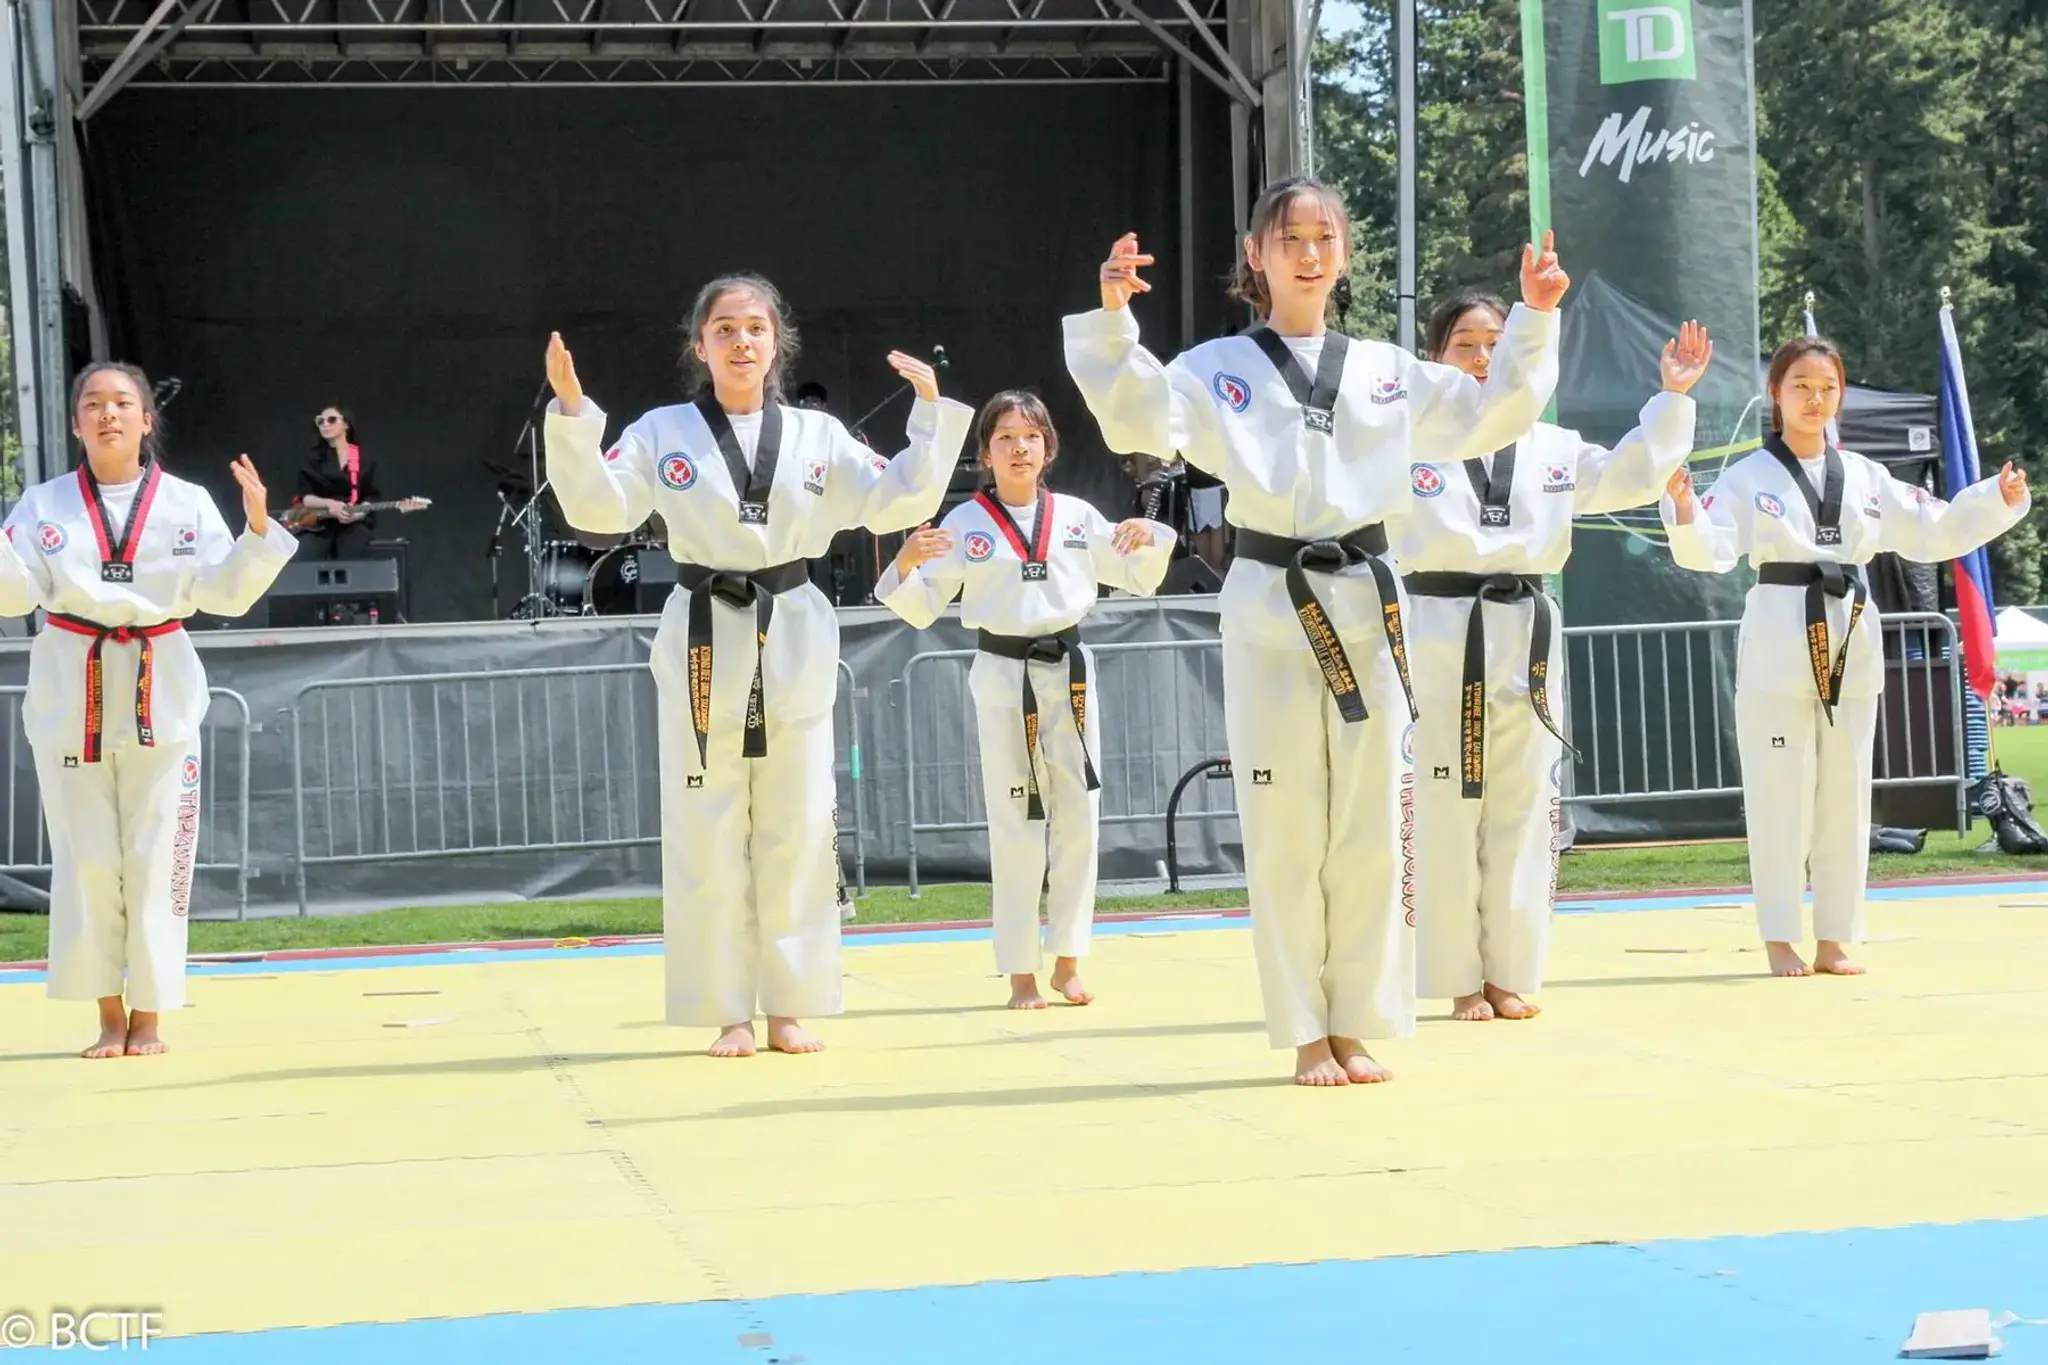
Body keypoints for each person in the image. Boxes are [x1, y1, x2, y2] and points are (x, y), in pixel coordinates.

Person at [1063, 177, 1570, 1086]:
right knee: (1286, 818)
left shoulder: (1386, 369)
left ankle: (1363, 1017)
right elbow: (1138, 417)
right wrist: (1111, 320)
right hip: (1269, 592)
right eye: (1288, 236)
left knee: (1373, 817)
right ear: (1254, 254)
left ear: (1343, 254)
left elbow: (1492, 412)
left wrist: (1532, 319)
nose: (1307, 251)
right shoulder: (1214, 368)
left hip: (1370, 597)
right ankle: (1305, 1026)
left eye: (1323, 236)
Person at [542, 273, 972, 1057]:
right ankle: (726, 1007)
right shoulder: (662, 430)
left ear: (778, 343)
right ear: (699, 345)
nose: (742, 342)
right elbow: (599, 507)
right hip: (706, 626)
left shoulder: (817, 435)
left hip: (792, 621)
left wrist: (933, 418)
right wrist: (572, 416)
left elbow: (894, 501)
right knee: (706, 823)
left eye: (756, 328)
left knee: (799, 822)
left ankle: (790, 1002)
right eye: (726, 328)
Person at [1661, 334, 2029, 977]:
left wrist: (1993, 498)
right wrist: (1687, 508)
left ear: (1841, 397)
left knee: (1847, 792)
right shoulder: (1750, 477)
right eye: (1800, 385)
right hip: (1780, 630)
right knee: (1780, 794)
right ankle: (1780, 935)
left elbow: (1934, 527)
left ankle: (1835, 935)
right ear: (1775, 393)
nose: (1814, 398)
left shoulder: (1864, 476)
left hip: (1851, 630)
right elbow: (1709, 547)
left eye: (1827, 387)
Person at [1400, 291, 1711, 1022]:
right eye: (1465, 345)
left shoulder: (1555, 447)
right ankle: (1455, 974)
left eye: (1497, 345)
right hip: (1439, 626)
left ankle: (1509, 969)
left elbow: (1633, 476)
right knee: (1443, 803)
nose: (1483, 359)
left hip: (1528, 628)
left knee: (1524, 803)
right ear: (1436, 360)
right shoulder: (1407, 441)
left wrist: (1670, 398)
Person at [0, 362, 297, 1058]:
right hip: (72, 688)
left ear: (146, 420)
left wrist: (257, 531)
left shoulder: (187, 502)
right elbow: (13, 592)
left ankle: (151, 1015)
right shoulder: (43, 507)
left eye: (122, 403)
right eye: (94, 405)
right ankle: (107, 1013)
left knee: (161, 858)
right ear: (76, 423)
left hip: (159, 689)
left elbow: (225, 593)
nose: (108, 415)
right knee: (88, 861)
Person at [872, 390, 1175, 1009]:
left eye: (1030, 436)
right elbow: (921, 604)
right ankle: (1019, 971)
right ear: (986, 453)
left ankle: (1068, 959)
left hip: (1069, 672)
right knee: (1015, 820)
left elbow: (1138, 574)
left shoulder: (1076, 517)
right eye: (1005, 436)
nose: (1018, 447)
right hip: (1003, 673)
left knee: (1079, 816)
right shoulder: (964, 525)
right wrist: (904, 561)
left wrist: (1153, 533)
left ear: (1048, 448)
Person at [293, 405, 380, 559]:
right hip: (320, 522)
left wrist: (359, 514)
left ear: (346, 424)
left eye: (332, 420)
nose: (325, 424)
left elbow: (371, 495)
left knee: (354, 555)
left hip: (352, 523)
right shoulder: (312, 459)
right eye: (320, 421)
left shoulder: (363, 457)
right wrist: (330, 504)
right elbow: (305, 497)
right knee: (305, 556)